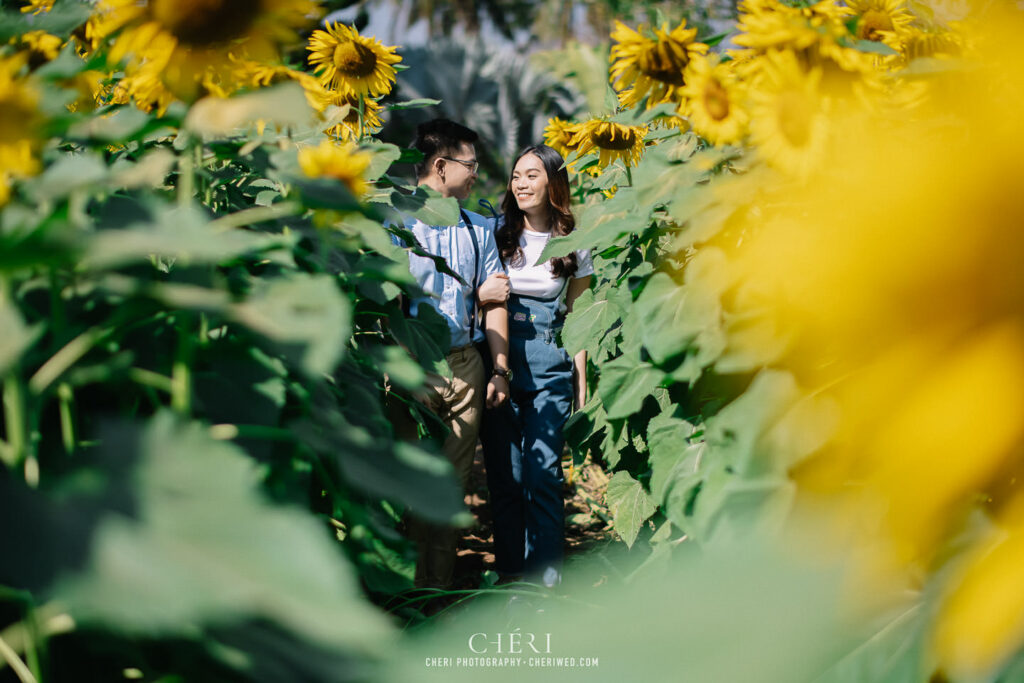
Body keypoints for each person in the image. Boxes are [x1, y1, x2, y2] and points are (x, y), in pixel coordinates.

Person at [393, 118, 511, 591]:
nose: (476, 175)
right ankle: (397, 594)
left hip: (465, 367)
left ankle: (433, 595)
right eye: (470, 166)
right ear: (440, 167)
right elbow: (385, 303)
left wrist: (499, 370)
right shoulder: (393, 222)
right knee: (406, 482)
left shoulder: (478, 229)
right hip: (410, 366)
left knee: (449, 490)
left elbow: (496, 301)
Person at [476, 144, 593, 588]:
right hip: (498, 362)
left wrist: (581, 382)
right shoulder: (496, 234)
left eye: (531, 176)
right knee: (506, 478)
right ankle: (510, 577)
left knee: (543, 474)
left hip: (549, 367)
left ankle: (545, 583)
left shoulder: (573, 241)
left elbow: (579, 316)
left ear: (553, 183)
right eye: (516, 176)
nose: (521, 185)